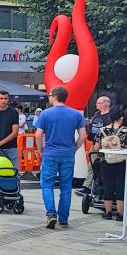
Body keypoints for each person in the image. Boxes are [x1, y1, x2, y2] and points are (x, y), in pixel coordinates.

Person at [35, 86, 86, 229]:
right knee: (66, 187)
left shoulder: (45, 114)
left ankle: (51, 214)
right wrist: (74, 148)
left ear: (55, 96)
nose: (49, 97)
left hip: (50, 153)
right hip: (68, 153)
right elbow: (83, 136)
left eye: (50, 95)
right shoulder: (76, 114)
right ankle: (63, 219)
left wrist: (41, 151)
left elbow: (38, 135)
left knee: (47, 185)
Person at [92, 107, 127, 221]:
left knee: (107, 186)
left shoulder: (102, 130)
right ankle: (119, 214)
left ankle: (107, 212)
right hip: (121, 162)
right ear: (121, 118)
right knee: (120, 187)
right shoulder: (125, 131)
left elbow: (97, 147)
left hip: (106, 162)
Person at [79, 95, 113, 196]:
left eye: (98, 103)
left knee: (103, 165)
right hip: (95, 142)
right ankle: (87, 186)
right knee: (92, 164)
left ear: (105, 104)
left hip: (106, 144)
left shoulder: (110, 115)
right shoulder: (97, 114)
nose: (96, 105)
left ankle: (101, 185)